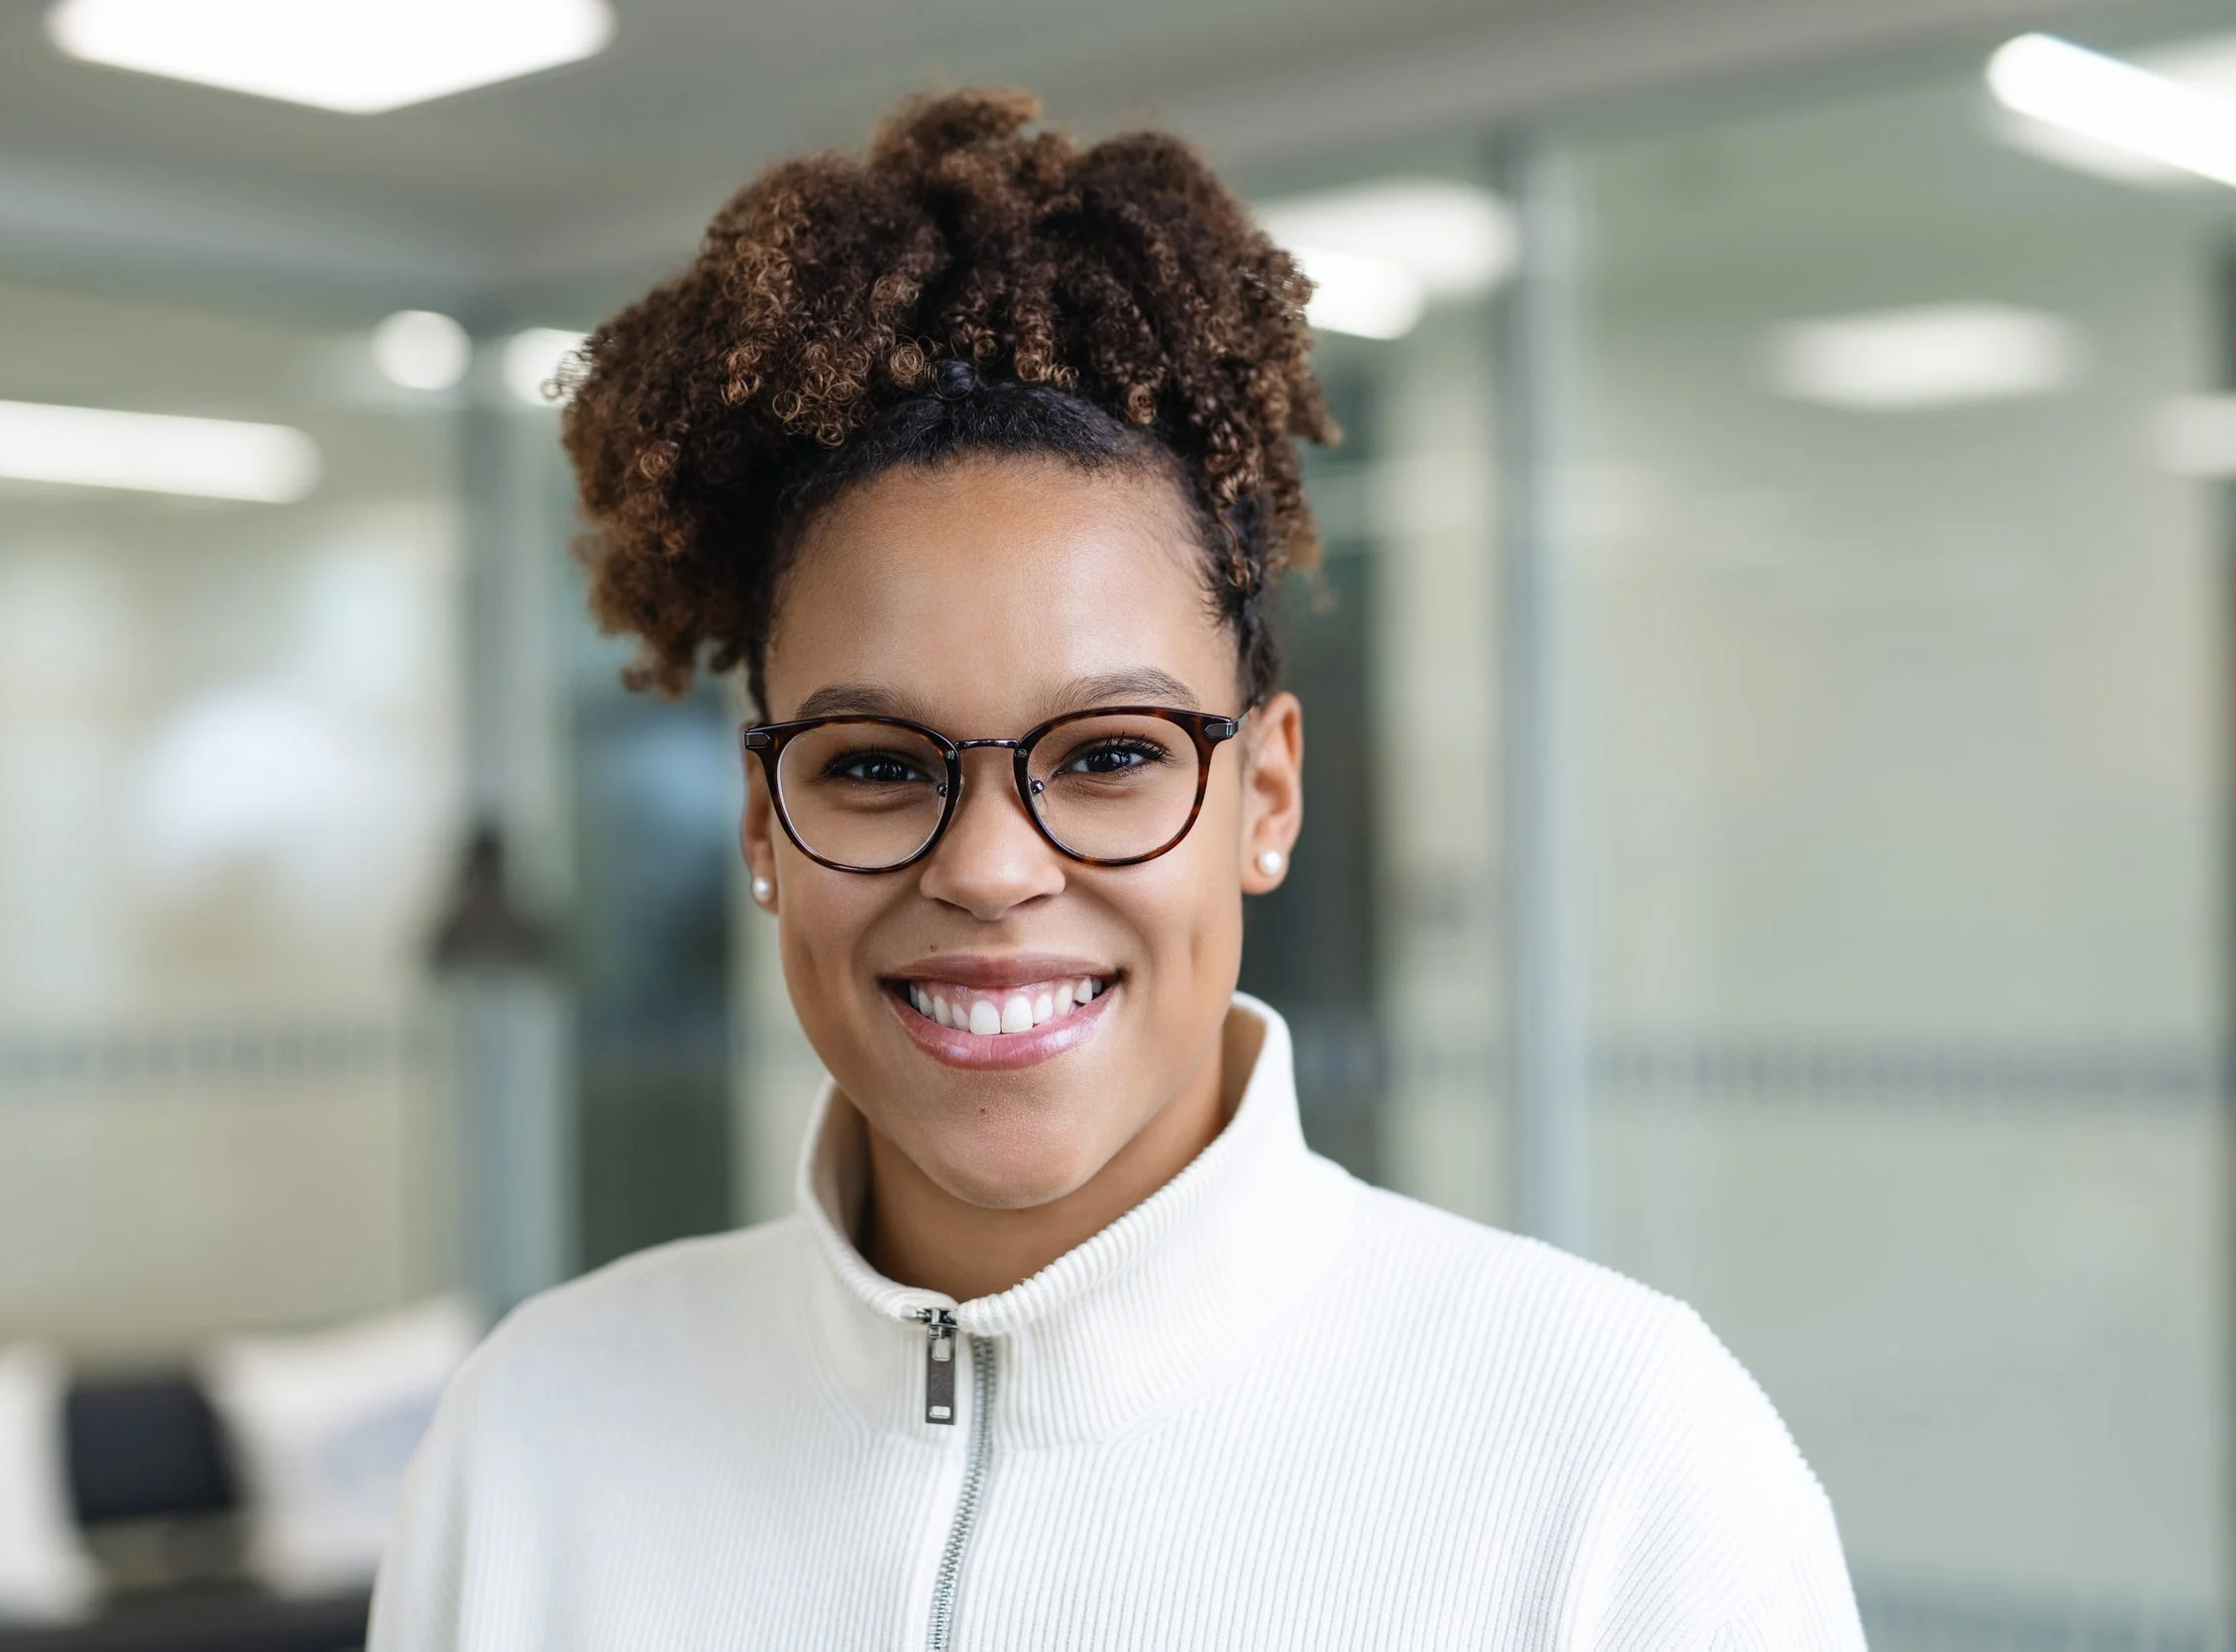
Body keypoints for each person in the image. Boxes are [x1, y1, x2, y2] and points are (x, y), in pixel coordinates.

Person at [370, 88, 1864, 1651]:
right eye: (876, 765)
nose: (990, 867)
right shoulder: (536, 1436)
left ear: (1265, 795)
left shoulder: (1615, 1465)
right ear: (762, 822)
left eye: (1109, 755)